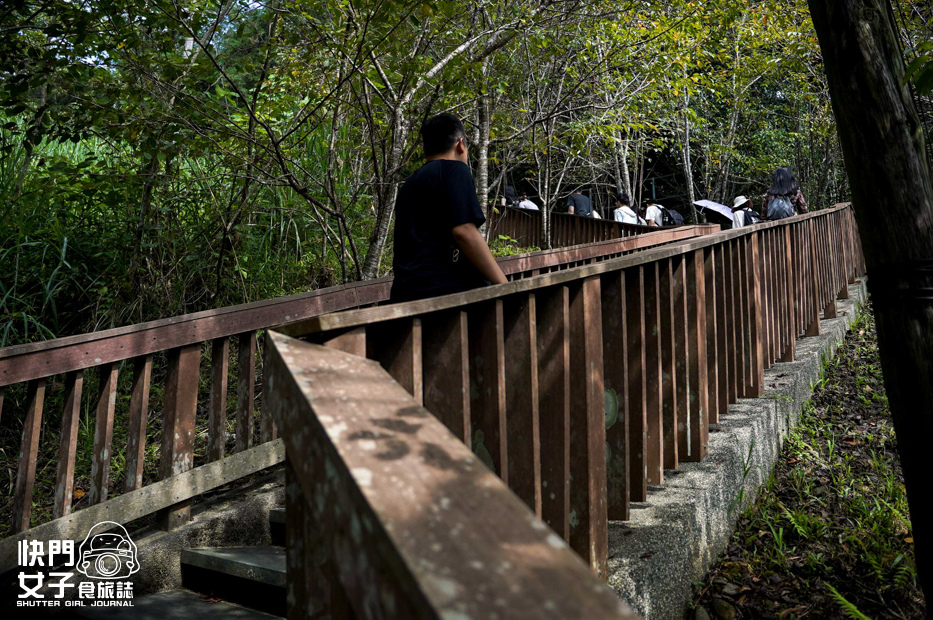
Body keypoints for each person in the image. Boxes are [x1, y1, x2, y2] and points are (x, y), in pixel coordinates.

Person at [390, 113, 507, 303]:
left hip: (407, 293)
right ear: (460, 144)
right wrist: (505, 286)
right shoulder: (454, 170)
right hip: (441, 295)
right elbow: (464, 231)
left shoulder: (411, 182)